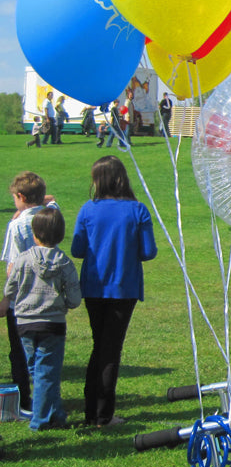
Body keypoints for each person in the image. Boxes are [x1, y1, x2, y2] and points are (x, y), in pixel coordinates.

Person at [71, 156, 157, 426]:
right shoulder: (137, 210)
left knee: (100, 346)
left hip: (94, 286)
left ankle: (92, 410)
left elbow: (77, 249)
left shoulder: (88, 209)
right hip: (124, 287)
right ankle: (102, 414)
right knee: (110, 349)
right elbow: (148, 251)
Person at [0, 208, 81, 431]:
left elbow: (10, 287)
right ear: (61, 235)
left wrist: (10, 300)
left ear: (34, 235)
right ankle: (41, 420)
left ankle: (56, 413)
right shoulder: (64, 263)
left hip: (25, 322)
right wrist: (63, 304)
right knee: (46, 371)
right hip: (52, 323)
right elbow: (75, 298)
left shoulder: (23, 260)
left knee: (38, 370)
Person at [1, 172, 58, 415]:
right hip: (47, 299)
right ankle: (48, 402)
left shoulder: (17, 226)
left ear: (21, 196)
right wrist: (47, 202)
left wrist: (5, 299)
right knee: (45, 354)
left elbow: (12, 267)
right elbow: (53, 202)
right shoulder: (52, 219)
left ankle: (23, 400)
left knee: (20, 354)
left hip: (21, 301)